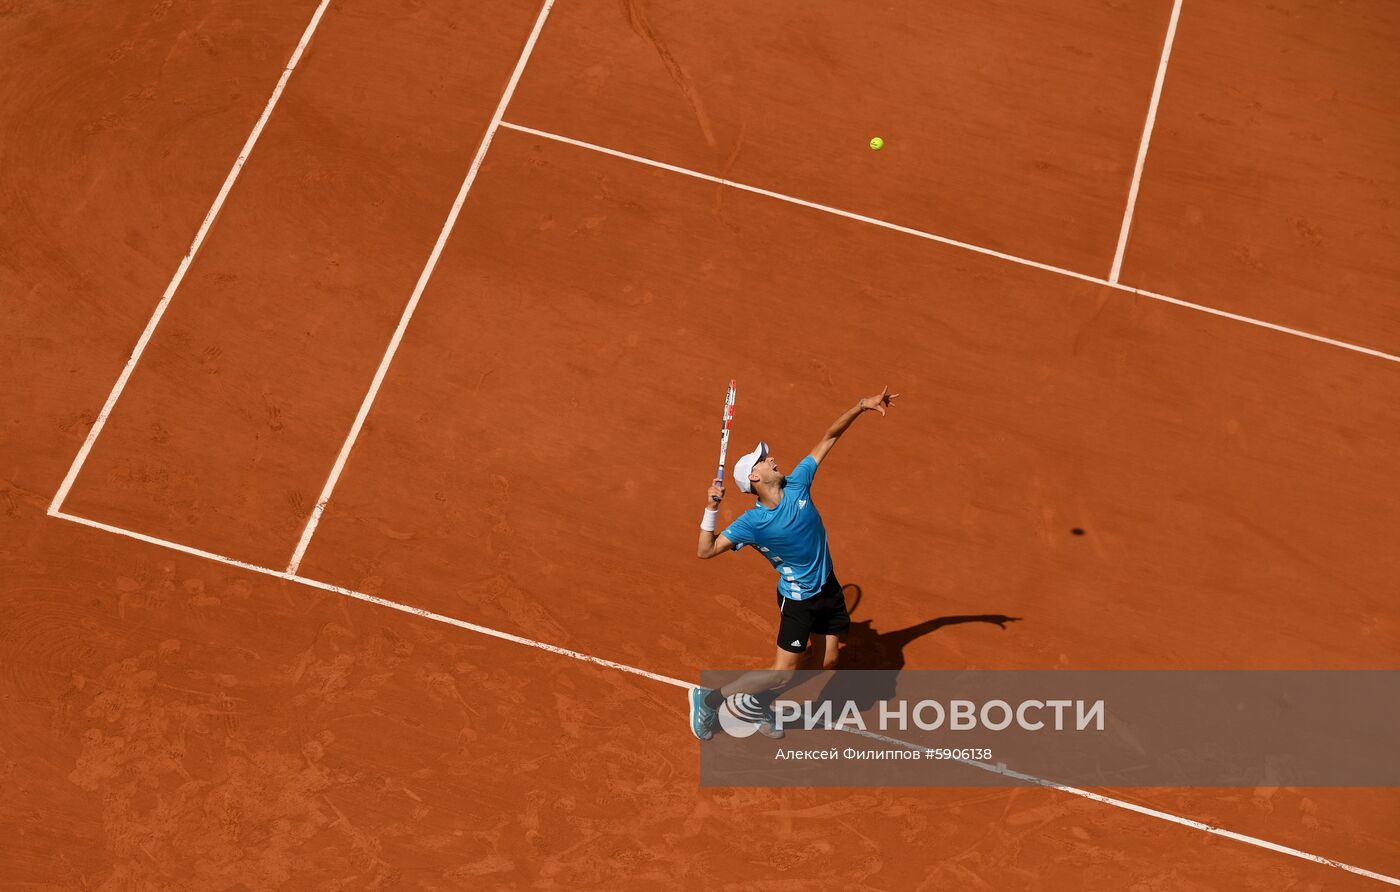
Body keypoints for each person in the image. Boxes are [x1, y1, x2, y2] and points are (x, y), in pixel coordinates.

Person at [690, 386, 898, 740]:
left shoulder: (798, 482)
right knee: (782, 673)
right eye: (763, 460)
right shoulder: (751, 523)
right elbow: (705, 551)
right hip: (799, 601)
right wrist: (711, 509)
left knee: (828, 662)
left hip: (828, 587)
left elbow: (829, 436)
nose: (771, 459)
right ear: (754, 479)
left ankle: (756, 706)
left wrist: (861, 405)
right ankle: (709, 700)